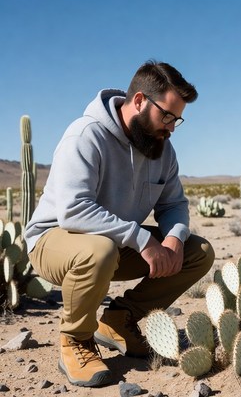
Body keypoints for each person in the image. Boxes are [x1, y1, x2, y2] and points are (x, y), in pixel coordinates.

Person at [24, 60, 215, 388]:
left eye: (177, 120)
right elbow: (73, 210)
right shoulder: (85, 135)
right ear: (139, 101)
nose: (170, 127)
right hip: (53, 241)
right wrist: (142, 239)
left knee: (198, 251)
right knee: (98, 251)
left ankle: (118, 320)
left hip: (115, 244)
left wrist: (173, 238)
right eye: (166, 116)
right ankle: (75, 340)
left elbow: (174, 205)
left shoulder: (162, 150)